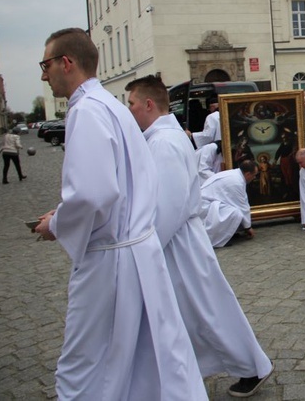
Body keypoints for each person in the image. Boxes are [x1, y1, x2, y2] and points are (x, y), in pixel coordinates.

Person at [33, 28, 206, 399]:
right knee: (148, 359)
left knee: (84, 364)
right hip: (135, 250)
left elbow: (94, 194)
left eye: (46, 65)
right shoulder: (110, 106)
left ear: (68, 62)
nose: (43, 75)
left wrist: (57, 224)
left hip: (111, 259)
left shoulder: (87, 111)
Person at [125, 75, 274, 397]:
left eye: (131, 104)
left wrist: (143, 248)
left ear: (149, 104)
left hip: (176, 242)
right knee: (192, 311)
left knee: (208, 310)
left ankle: (251, 366)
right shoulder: (162, 137)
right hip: (176, 239)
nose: (129, 111)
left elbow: (166, 205)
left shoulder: (164, 142)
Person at [200, 160, 258, 247]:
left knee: (234, 211)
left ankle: (227, 234)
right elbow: (242, 206)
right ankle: (219, 239)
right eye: (254, 175)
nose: (254, 178)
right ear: (248, 174)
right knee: (236, 213)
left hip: (208, 203)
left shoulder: (235, 175)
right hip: (206, 207)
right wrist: (248, 228)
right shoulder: (237, 182)